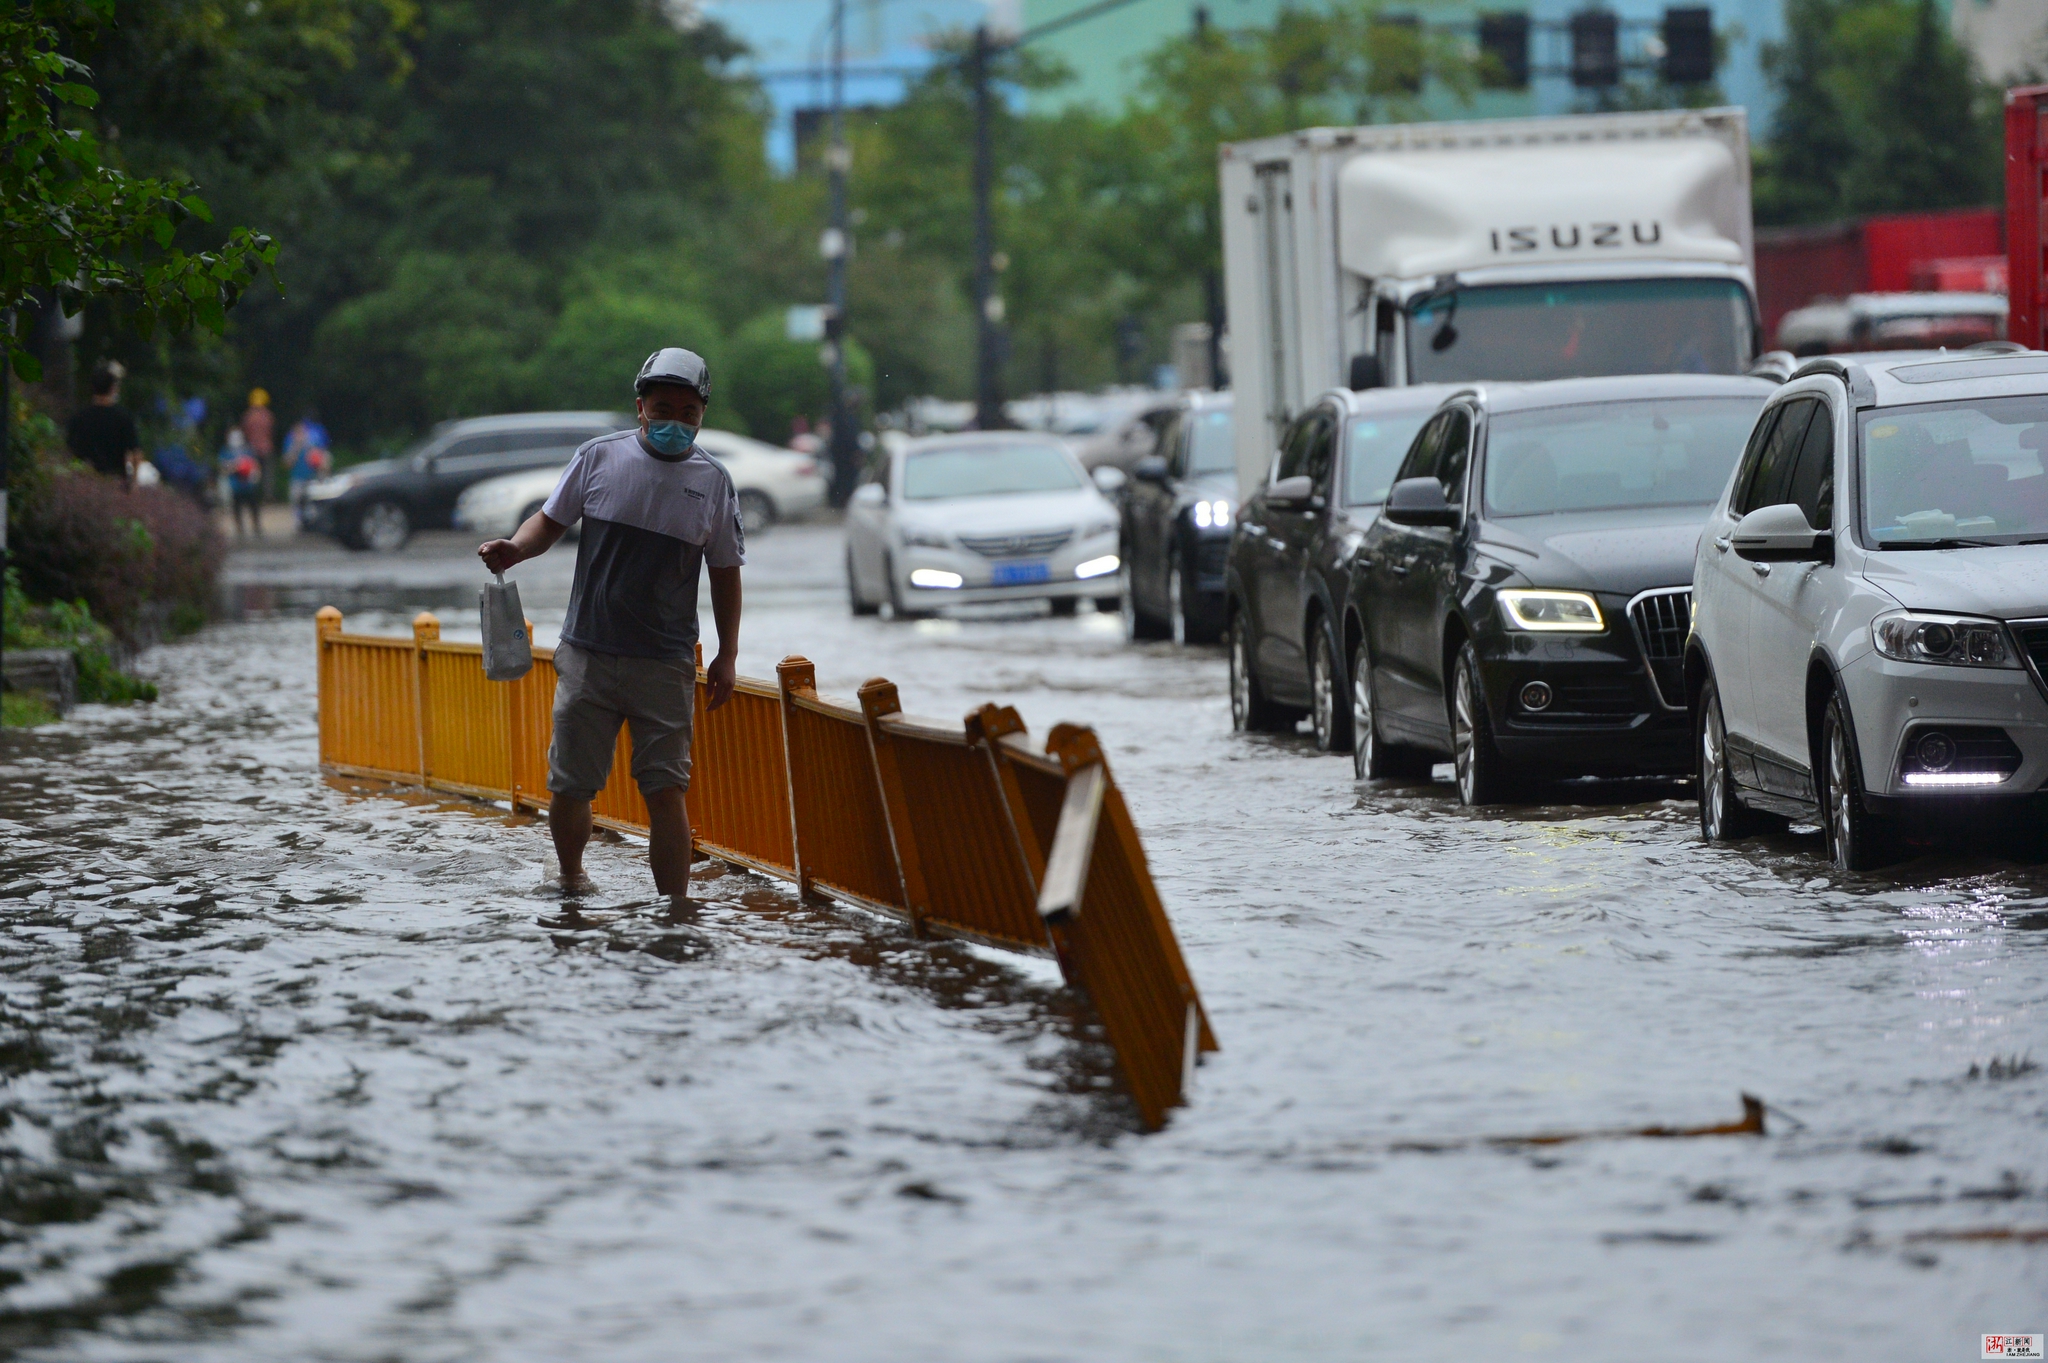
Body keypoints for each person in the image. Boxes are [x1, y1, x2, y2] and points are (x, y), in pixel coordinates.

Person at [477, 348, 744, 902]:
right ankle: (571, 880)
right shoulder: (599, 457)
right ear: (640, 407)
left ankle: (674, 909)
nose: (675, 422)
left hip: (665, 662)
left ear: (702, 415)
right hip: (588, 653)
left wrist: (728, 654)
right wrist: (516, 548)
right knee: (571, 786)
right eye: (663, 409)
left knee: (666, 791)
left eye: (689, 413)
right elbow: (549, 521)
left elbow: (725, 572)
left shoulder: (713, 482)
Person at [66, 362, 142, 482]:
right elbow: (135, 452)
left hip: (85, 480)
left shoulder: (79, 417)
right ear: (113, 388)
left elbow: (69, 450)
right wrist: (134, 483)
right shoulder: (123, 417)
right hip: (115, 480)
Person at [284, 408, 332, 513]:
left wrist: (324, 471)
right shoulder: (290, 438)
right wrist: (296, 446)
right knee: (297, 506)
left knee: (314, 508)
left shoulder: (315, 437)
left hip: (314, 478)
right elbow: (287, 464)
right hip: (297, 479)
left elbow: (324, 457)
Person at [223, 428, 264, 538]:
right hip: (235, 485)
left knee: (253, 507)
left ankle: (256, 527)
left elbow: (255, 464)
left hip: (249, 485)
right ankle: (240, 529)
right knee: (237, 508)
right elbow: (223, 468)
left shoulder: (248, 450)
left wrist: (255, 474)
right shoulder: (226, 452)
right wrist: (236, 466)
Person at [239, 388, 276, 500]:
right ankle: (268, 496)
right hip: (267, 448)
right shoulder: (268, 416)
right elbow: (271, 432)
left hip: (252, 448)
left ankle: (253, 496)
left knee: (253, 474)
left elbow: (245, 433)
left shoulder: (248, 416)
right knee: (267, 474)